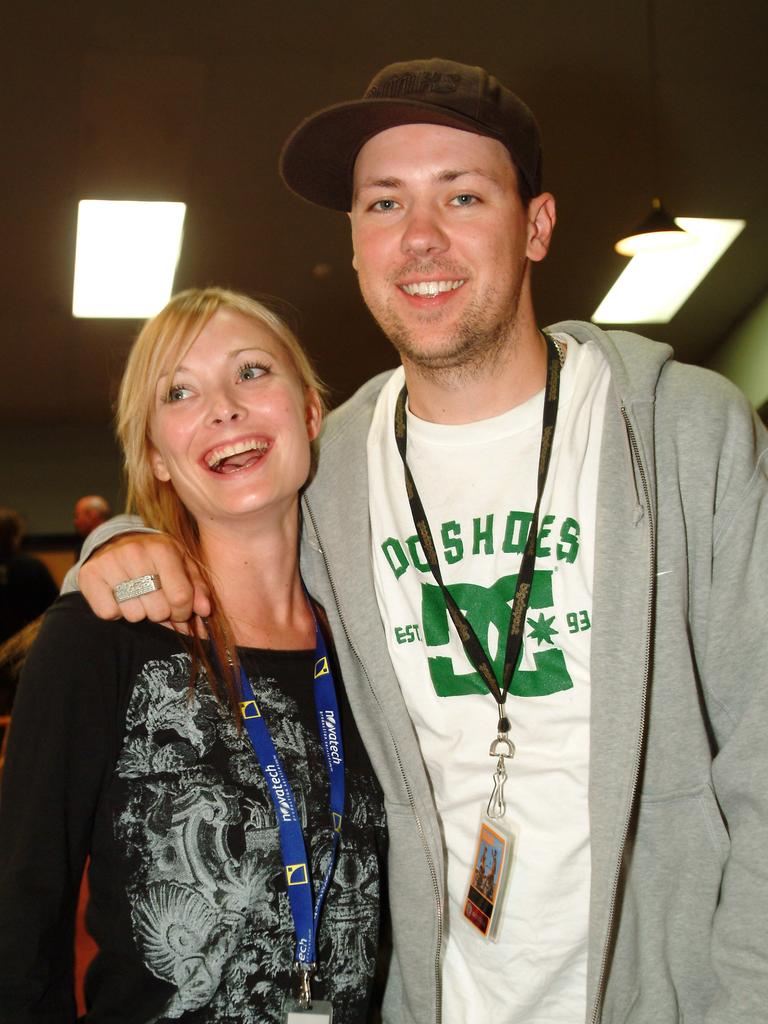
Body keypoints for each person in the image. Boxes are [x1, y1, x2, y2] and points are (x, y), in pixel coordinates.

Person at [67, 59, 768, 1024]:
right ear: (354, 246)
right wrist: (124, 536)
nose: (419, 238)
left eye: (464, 195)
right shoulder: (332, 465)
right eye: (383, 204)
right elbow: (218, 502)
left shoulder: (685, 432)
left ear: (537, 226)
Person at [0, 288, 386, 1023]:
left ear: (309, 413)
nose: (224, 408)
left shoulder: (371, 645)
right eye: (180, 391)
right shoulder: (104, 633)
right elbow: (19, 920)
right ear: (158, 457)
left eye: (251, 372)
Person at [0, 507, 58, 713]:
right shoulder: (33, 567)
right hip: (26, 653)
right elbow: (53, 608)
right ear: (16, 536)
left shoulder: (33, 566)